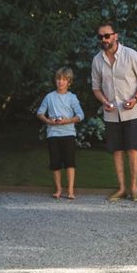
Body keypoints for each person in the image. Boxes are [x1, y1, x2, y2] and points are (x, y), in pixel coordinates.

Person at [90, 21, 137, 202]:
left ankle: (134, 189)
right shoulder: (97, 60)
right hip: (111, 113)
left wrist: (135, 99)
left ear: (115, 36)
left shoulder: (131, 55)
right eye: (100, 36)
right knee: (117, 150)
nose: (104, 39)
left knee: (132, 149)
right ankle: (122, 188)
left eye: (107, 35)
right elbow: (96, 88)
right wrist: (104, 101)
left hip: (131, 112)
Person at [36, 67, 85, 200]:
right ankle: (58, 189)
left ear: (69, 82)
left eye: (64, 79)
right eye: (58, 79)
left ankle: (70, 190)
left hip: (68, 134)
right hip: (53, 134)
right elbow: (40, 113)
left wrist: (67, 121)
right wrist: (48, 121)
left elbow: (80, 115)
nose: (60, 82)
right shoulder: (49, 97)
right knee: (55, 163)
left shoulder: (72, 98)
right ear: (55, 80)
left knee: (70, 162)